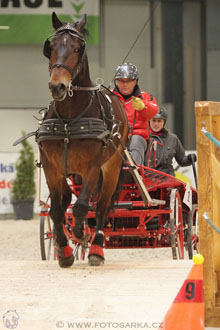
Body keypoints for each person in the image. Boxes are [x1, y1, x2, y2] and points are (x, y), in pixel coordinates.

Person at [113, 62, 158, 165]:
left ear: (135, 81)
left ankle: (135, 173)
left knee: (136, 140)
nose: (125, 84)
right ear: (116, 81)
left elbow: (154, 111)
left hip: (136, 136)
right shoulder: (109, 96)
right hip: (114, 137)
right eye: (121, 81)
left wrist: (143, 107)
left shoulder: (145, 96)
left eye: (128, 81)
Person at [146, 106, 197, 176]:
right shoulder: (142, 138)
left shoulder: (172, 138)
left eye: (159, 121)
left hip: (167, 178)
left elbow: (182, 160)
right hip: (146, 178)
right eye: (154, 120)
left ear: (164, 122)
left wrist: (189, 159)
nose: (156, 124)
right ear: (149, 121)